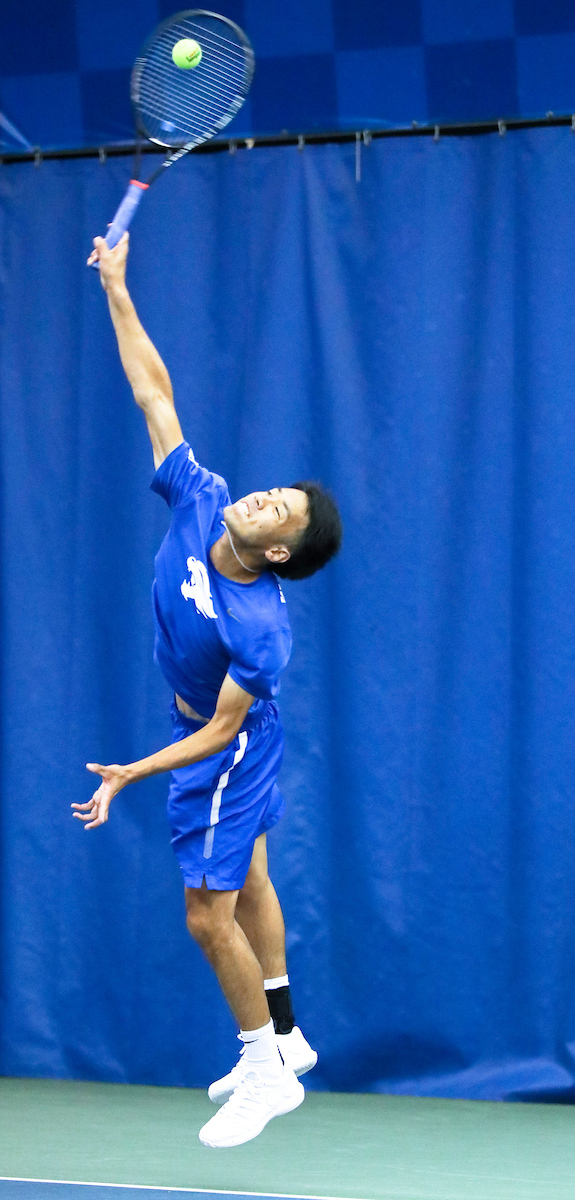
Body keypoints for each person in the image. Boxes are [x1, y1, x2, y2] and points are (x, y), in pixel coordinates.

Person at [75, 231, 342, 1149]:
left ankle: (264, 1069)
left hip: (220, 744)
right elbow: (154, 389)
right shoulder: (201, 494)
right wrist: (117, 285)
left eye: (281, 512)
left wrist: (128, 774)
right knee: (254, 871)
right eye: (274, 492)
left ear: (279, 553)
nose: (265, 496)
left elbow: (217, 737)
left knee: (205, 911)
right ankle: (289, 1031)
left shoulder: (260, 626)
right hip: (209, 731)